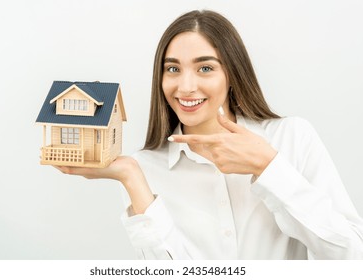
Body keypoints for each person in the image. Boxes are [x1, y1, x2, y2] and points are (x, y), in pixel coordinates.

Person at [56, 10, 363, 259]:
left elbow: (351, 256)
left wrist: (268, 167)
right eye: (173, 69)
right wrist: (132, 178)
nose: (186, 87)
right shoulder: (145, 168)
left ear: (232, 75)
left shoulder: (292, 138)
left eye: (205, 68)